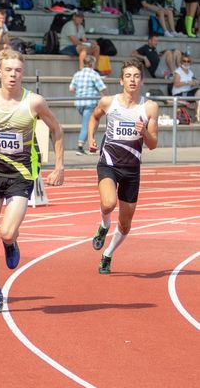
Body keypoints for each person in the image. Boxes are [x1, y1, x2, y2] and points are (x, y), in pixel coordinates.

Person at [0, 49, 65, 314]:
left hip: (21, 174)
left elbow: (57, 129)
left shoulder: (34, 102)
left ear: (23, 72)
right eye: (8, 70)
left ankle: (10, 243)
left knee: (6, 233)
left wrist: (59, 166)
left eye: (18, 70)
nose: (13, 75)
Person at [87, 58, 159, 274]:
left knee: (126, 224)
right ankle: (103, 225)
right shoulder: (109, 102)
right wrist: (91, 137)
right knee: (108, 204)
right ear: (121, 81)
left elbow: (153, 144)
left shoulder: (149, 107)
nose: (132, 80)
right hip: (108, 163)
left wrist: (144, 131)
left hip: (132, 170)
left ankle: (107, 254)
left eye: (136, 76)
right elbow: (94, 117)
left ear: (142, 80)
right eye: (128, 76)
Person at [69, 55, 108, 155]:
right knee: (87, 125)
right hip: (90, 102)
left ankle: (91, 144)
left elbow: (71, 89)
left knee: (90, 123)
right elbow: (102, 88)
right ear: (92, 64)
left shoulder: (77, 74)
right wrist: (106, 98)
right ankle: (80, 147)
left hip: (79, 103)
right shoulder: (94, 74)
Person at [172, 53, 200, 122]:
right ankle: (198, 117)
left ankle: (198, 116)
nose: (186, 63)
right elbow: (176, 84)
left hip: (188, 92)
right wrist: (187, 82)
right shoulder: (178, 71)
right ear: (181, 61)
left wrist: (194, 82)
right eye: (184, 61)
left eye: (188, 61)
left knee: (199, 93)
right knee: (198, 96)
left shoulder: (190, 72)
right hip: (179, 93)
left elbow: (192, 83)